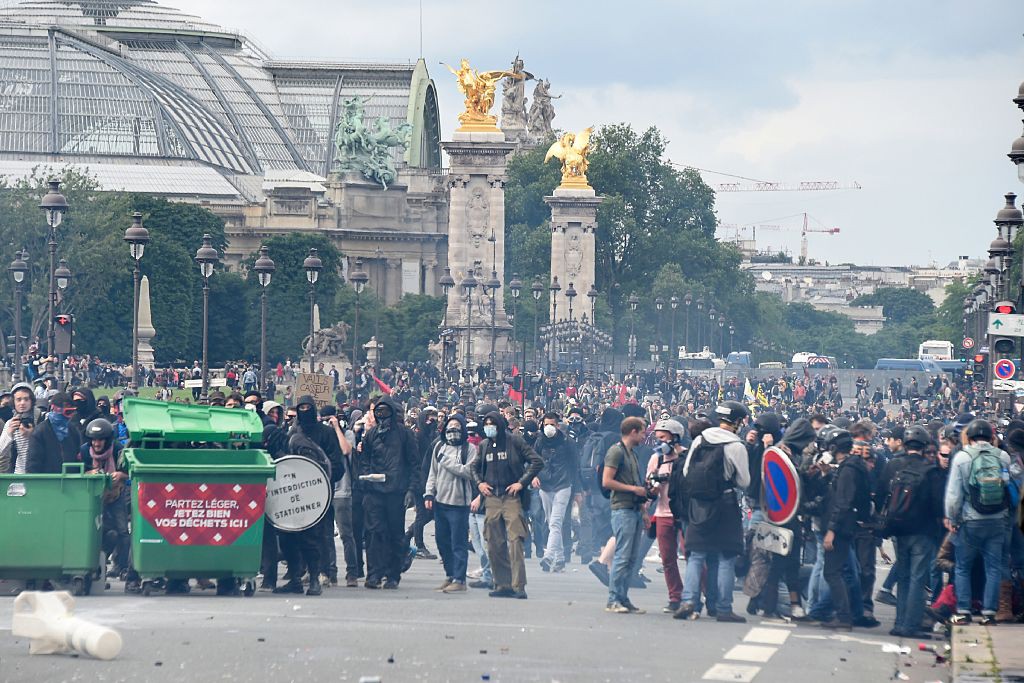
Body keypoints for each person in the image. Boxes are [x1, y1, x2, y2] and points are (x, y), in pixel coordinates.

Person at [674, 401, 751, 623]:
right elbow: (744, 481)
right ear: (737, 421)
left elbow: (687, 471)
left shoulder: (701, 439)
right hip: (725, 504)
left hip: (699, 504)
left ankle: (688, 601)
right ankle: (723, 607)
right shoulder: (737, 445)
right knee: (726, 556)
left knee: (696, 556)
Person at [875, 424, 945, 637]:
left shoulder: (893, 465)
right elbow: (938, 503)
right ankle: (911, 625)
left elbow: (880, 494)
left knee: (904, 576)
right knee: (918, 577)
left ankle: (899, 623)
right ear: (924, 446)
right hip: (923, 530)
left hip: (898, 528)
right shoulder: (930, 469)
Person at [944, 419, 1012, 625]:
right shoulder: (1003, 457)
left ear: (970, 437)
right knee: (994, 567)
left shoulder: (962, 458)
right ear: (991, 437)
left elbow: (954, 494)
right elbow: (1007, 484)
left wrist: (952, 518)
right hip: (998, 520)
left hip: (970, 520)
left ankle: (963, 611)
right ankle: (990, 612)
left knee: (963, 566)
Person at [470, 410, 543, 599]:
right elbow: (474, 467)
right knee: (494, 543)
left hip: (512, 497)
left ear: (500, 425)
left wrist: (522, 482)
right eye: (486, 423)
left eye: (491, 423)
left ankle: (518, 585)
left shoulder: (515, 442)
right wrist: (479, 484)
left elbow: (536, 461)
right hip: (492, 497)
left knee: (515, 541)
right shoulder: (484, 445)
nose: (488, 427)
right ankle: (502, 584)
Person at [353, 396, 420, 589]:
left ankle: (393, 574)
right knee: (374, 534)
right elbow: (363, 459)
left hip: (396, 492)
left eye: (385, 411)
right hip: (374, 491)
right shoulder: (371, 434)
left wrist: (411, 490)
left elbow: (414, 464)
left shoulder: (405, 434)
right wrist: (366, 478)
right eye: (378, 412)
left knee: (394, 534)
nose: (382, 415)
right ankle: (374, 574)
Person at [820, 426, 872, 631]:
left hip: (841, 527)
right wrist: (826, 476)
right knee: (839, 571)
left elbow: (842, 502)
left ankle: (843, 615)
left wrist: (831, 530)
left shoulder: (848, 470)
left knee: (832, 572)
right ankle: (845, 613)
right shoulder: (852, 466)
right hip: (847, 525)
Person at [424, 413, 478, 593]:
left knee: (458, 543)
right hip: (440, 502)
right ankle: (450, 574)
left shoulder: (469, 449)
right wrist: (429, 494)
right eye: (450, 425)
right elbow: (433, 472)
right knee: (442, 541)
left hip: (459, 504)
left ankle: (460, 579)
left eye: (457, 426)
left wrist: (446, 462)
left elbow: (469, 472)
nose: (453, 429)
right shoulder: (439, 447)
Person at [602, 415, 649, 614]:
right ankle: (613, 599)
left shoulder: (632, 453)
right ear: (633, 431)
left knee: (630, 558)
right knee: (622, 556)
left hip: (634, 509)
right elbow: (607, 481)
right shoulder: (616, 452)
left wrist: (644, 511)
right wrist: (632, 489)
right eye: (643, 431)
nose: (645, 435)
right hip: (622, 508)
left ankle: (623, 597)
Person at [646, 418, 688, 614]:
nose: (659, 442)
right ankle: (675, 596)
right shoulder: (657, 458)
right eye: (657, 438)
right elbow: (649, 486)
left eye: (663, 438)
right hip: (663, 512)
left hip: (685, 513)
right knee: (667, 558)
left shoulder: (687, 457)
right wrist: (653, 485)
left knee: (692, 555)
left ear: (675, 437)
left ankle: (704, 593)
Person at [532, 412, 580, 573]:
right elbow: (534, 460)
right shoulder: (539, 442)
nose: (549, 428)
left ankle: (549, 556)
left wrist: (578, 489)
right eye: (546, 425)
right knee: (551, 521)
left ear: (558, 425)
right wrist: (534, 476)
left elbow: (575, 466)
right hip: (545, 485)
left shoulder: (568, 442)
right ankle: (560, 559)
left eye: (552, 424)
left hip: (563, 484)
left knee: (555, 522)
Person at [25, 393, 83, 474]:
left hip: (70, 482)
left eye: (71, 412)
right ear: (53, 408)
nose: (68, 416)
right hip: (47, 483)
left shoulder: (73, 431)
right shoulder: (40, 432)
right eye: (67, 412)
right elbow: (32, 465)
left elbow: (79, 460)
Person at [0, 382, 37, 474]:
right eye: (19, 400)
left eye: (26, 399)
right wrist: (9, 433)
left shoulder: (42, 419)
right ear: (14, 402)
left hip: (39, 472)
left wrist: (33, 435)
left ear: (31, 401)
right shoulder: (11, 423)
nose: (22, 403)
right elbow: (1, 451)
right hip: (19, 473)